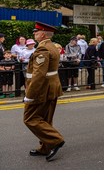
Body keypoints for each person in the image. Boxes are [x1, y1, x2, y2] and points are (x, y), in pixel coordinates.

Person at [23, 21, 65, 161]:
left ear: (42, 34)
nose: (34, 33)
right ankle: (46, 147)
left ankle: (56, 140)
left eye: (36, 32)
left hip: (42, 90)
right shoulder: (52, 46)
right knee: (45, 119)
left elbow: (38, 75)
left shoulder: (42, 49)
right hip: (51, 87)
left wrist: (30, 95)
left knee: (30, 118)